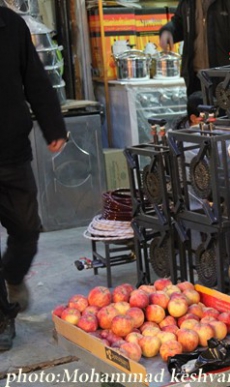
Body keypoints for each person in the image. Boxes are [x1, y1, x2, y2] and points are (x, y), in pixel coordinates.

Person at [0, 6, 68, 351]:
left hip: (11, 151)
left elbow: (34, 78)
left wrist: (53, 124)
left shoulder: (10, 25)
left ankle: (12, 276)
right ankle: (1, 320)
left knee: (26, 231)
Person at [159, 0, 230, 99]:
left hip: (228, 78)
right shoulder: (188, 2)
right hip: (196, 79)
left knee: (228, 117)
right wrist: (169, 30)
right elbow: (179, 22)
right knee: (199, 118)